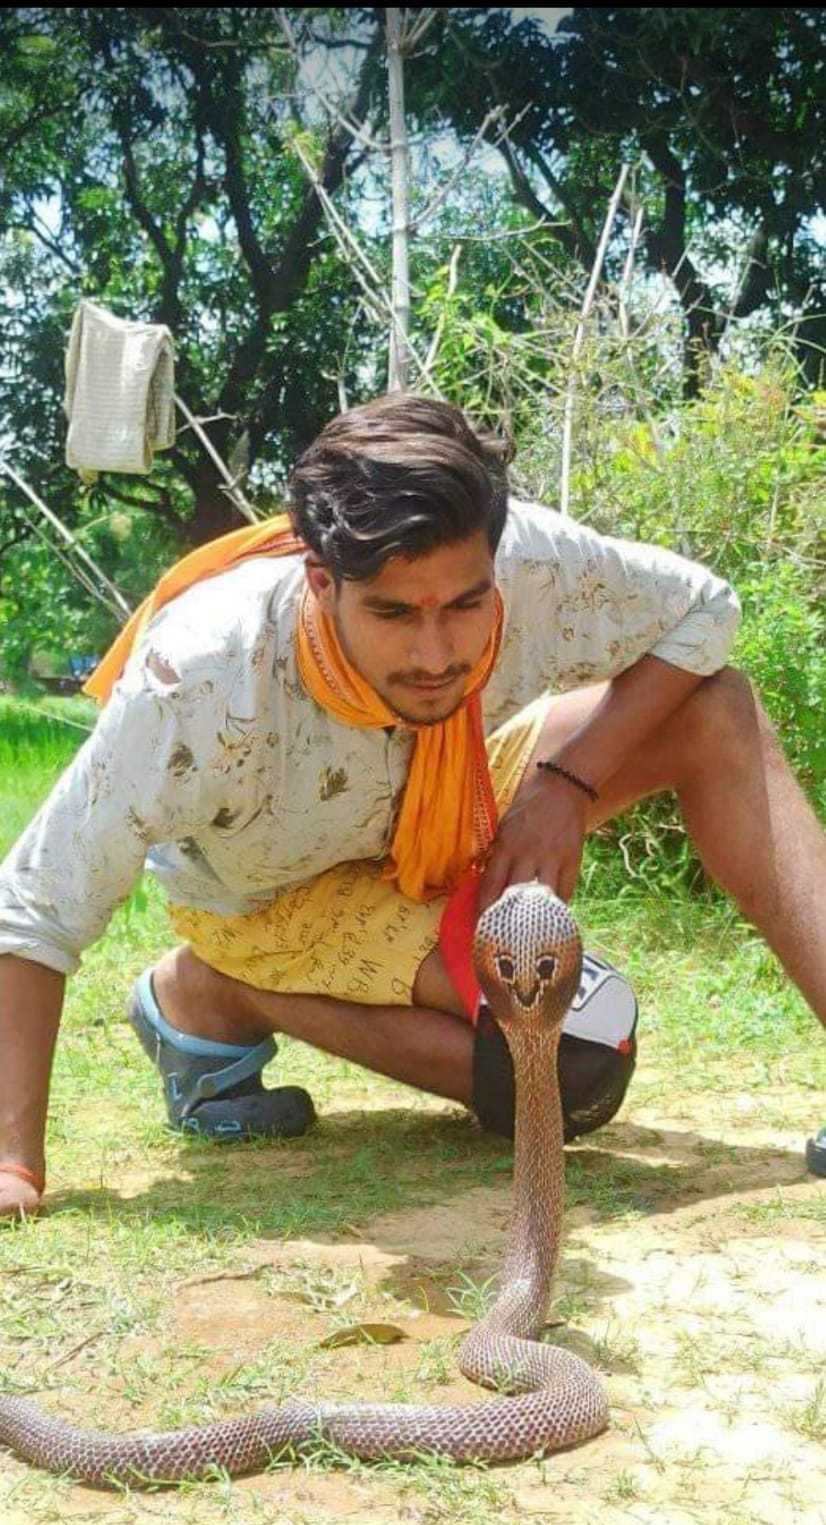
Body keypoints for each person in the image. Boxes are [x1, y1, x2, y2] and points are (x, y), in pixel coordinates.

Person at [1, 394, 825, 1221]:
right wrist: (13, 1166)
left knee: (718, 708)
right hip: (277, 897)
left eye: (465, 607)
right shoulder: (202, 678)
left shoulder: (528, 559)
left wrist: (566, 784)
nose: (437, 655)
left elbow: (705, 611)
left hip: (457, 784)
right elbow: (36, 909)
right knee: (571, 1067)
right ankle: (223, 988)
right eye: (394, 613)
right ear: (321, 582)